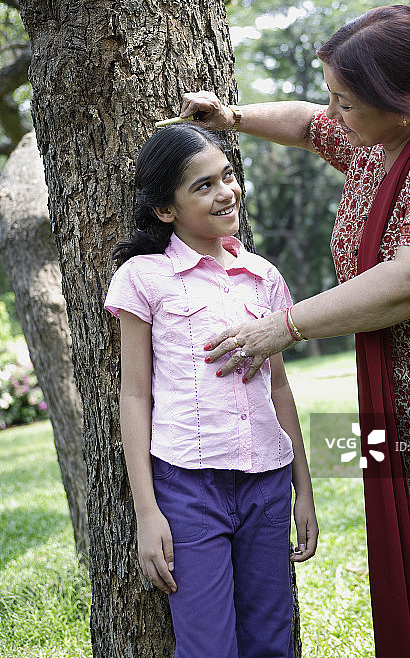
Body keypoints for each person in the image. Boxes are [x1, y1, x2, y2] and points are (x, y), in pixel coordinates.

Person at [178, 5, 410, 658]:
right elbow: (306, 127)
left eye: (344, 100)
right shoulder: (374, 144)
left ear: (396, 100)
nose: (333, 113)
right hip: (403, 422)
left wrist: (281, 327)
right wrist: (231, 118)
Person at [104, 123, 318, 658]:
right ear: (165, 210)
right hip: (188, 489)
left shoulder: (263, 277)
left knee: (272, 640)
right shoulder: (143, 277)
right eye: (203, 185)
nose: (226, 192)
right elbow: (134, 395)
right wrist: (147, 511)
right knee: (208, 647)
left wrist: (304, 490)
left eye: (226, 176)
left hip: (267, 485)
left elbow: (279, 387)